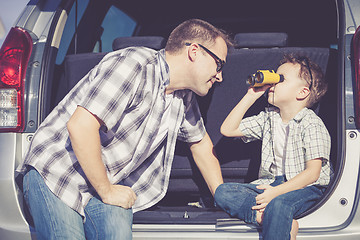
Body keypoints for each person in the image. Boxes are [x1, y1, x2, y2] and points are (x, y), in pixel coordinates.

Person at [17, 19, 232, 240]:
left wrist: (224, 197)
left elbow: (201, 145)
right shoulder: (134, 64)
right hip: (59, 173)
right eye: (219, 64)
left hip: (107, 184)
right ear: (194, 51)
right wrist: (107, 191)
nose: (220, 76)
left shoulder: (182, 97)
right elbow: (80, 126)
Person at [215, 54, 333, 240]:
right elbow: (228, 129)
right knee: (222, 192)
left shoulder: (312, 124)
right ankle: (270, 219)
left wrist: (276, 193)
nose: (273, 84)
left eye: (281, 79)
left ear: (302, 92)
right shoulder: (269, 118)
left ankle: (275, 214)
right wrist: (251, 95)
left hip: (306, 187)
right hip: (272, 183)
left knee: (279, 204)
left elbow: (313, 174)